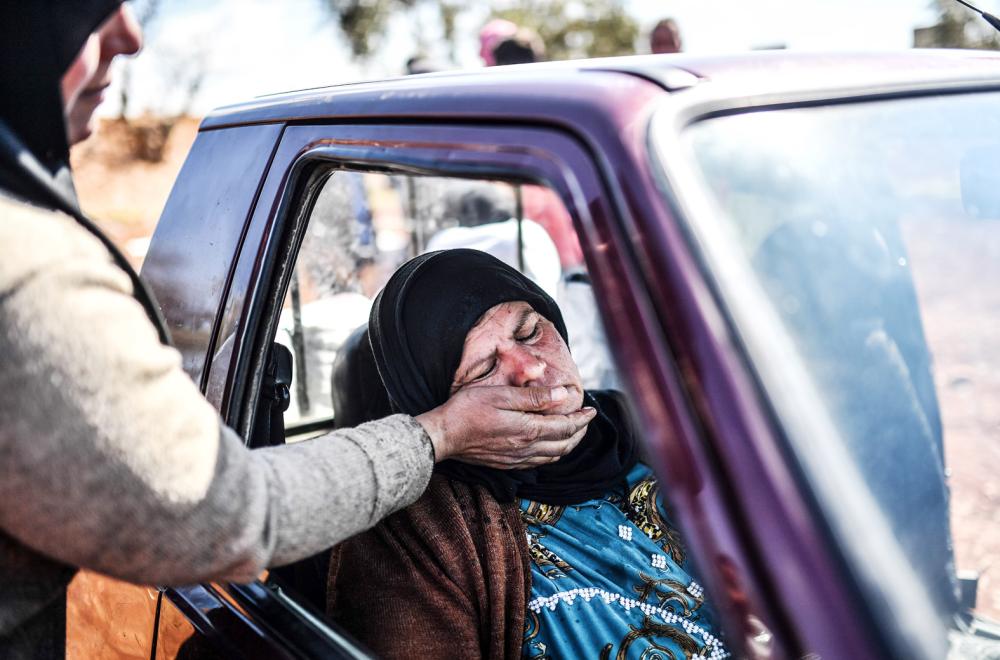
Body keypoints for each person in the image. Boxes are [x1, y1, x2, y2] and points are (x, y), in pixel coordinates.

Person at [0, 3, 595, 657]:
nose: (130, 34)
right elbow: (213, 512)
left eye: (532, 329)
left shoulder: (679, 441)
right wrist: (444, 433)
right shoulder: (27, 270)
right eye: (85, 8)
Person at [327, 249, 729, 659]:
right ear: (440, 403)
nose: (531, 369)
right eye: (483, 369)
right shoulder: (416, 529)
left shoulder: (654, 427)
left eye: (529, 332)